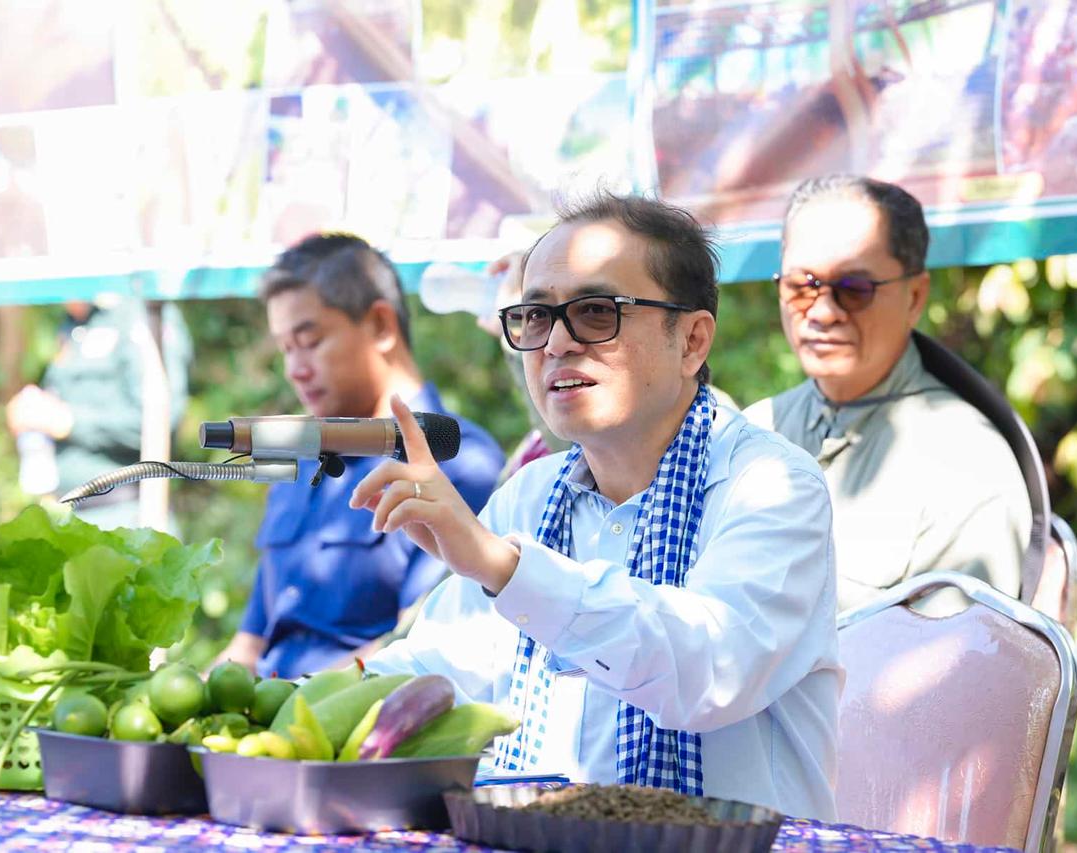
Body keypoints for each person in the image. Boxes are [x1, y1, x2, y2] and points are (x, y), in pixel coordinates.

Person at [355, 193, 840, 819]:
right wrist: (281, 705)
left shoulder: (772, 484)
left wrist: (505, 568)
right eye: (535, 316)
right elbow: (436, 672)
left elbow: (709, 673)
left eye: (594, 311)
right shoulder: (531, 494)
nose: (556, 342)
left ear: (692, 341)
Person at [212, 233, 505, 680]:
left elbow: (421, 643)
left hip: (361, 712)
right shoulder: (300, 460)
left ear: (381, 326)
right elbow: (249, 646)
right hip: (266, 711)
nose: (294, 369)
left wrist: (291, 701)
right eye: (286, 349)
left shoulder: (460, 464)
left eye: (310, 341)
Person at [744, 175, 1030, 613]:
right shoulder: (751, 433)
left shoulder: (967, 460)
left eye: (854, 290)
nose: (822, 312)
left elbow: (959, 649)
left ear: (915, 296)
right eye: (802, 286)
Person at [5, 296, 192, 530]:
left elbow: (161, 418)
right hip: (71, 515)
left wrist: (69, 422)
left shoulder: (139, 314)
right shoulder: (73, 324)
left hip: (128, 516)